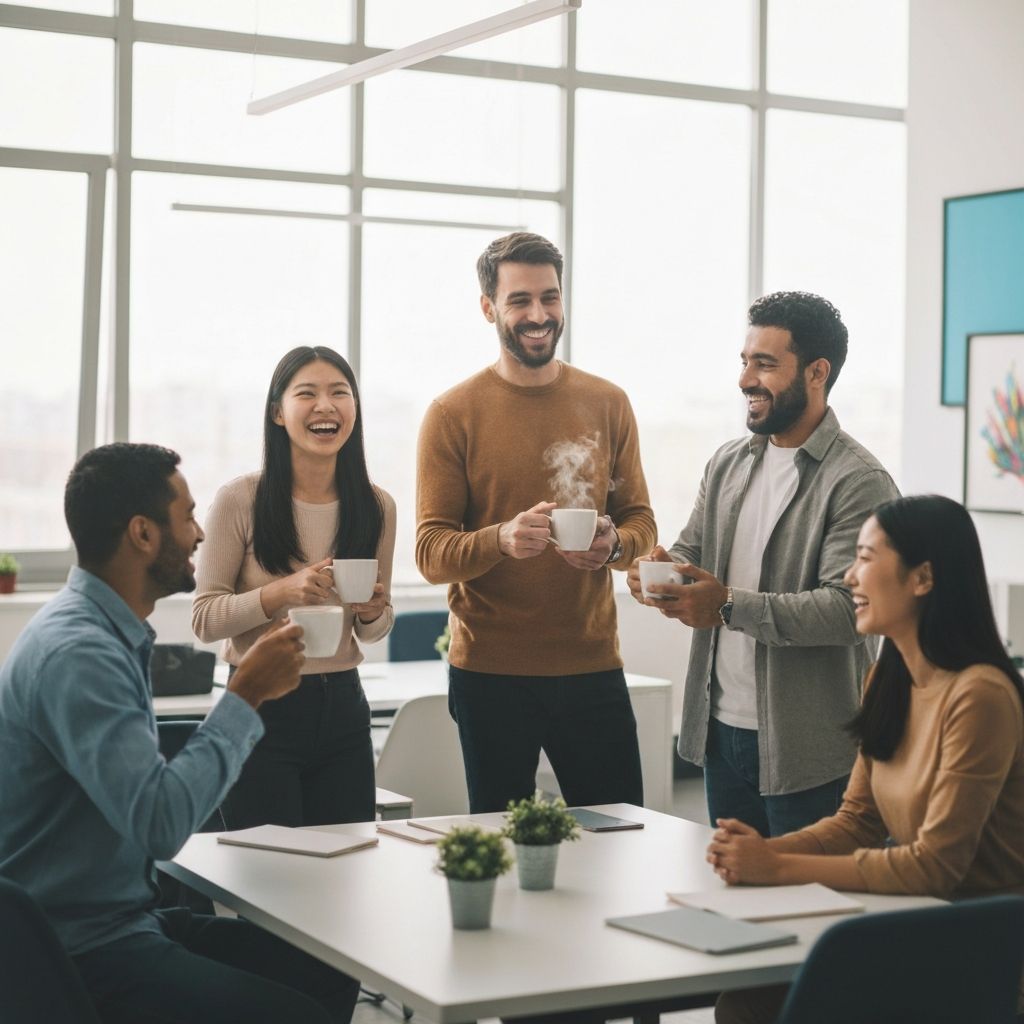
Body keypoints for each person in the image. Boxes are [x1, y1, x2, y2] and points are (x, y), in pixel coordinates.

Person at [0, 443, 360, 1023]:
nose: (197, 534)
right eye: (187, 516)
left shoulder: (102, 631)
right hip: (81, 949)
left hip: (124, 920)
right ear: (143, 534)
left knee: (329, 968)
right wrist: (247, 694)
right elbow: (161, 826)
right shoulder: (81, 654)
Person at [707, 494, 1024, 1024]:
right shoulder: (888, 676)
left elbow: (934, 868)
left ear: (922, 578)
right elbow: (858, 822)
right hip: (923, 924)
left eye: (866, 557)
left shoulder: (979, 695)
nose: (851, 577)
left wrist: (778, 865)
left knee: (758, 1007)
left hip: (983, 950)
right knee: (744, 1003)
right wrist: (760, 852)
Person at [628, 291, 899, 836]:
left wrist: (726, 604)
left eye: (765, 364)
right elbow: (693, 549)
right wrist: (660, 570)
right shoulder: (729, 461)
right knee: (734, 896)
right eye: (745, 361)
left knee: (811, 905)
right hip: (721, 733)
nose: (745, 379)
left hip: (812, 747)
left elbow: (849, 609)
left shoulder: (858, 481)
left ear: (817, 372)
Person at [416, 231, 657, 814]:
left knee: (621, 838)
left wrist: (612, 545)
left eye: (550, 298)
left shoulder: (608, 402)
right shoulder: (452, 413)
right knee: (502, 846)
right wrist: (500, 539)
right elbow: (430, 551)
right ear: (488, 308)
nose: (538, 314)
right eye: (520, 300)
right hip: (490, 674)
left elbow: (642, 524)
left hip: (592, 665)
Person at [193, 346, 395, 829]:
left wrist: (371, 610)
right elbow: (203, 619)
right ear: (277, 413)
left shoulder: (376, 506)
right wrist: (280, 593)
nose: (326, 407)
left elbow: (373, 631)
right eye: (307, 394)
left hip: (344, 706)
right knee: (265, 877)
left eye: (339, 393)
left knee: (345, 870)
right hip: (260, 704)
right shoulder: (240, 499)